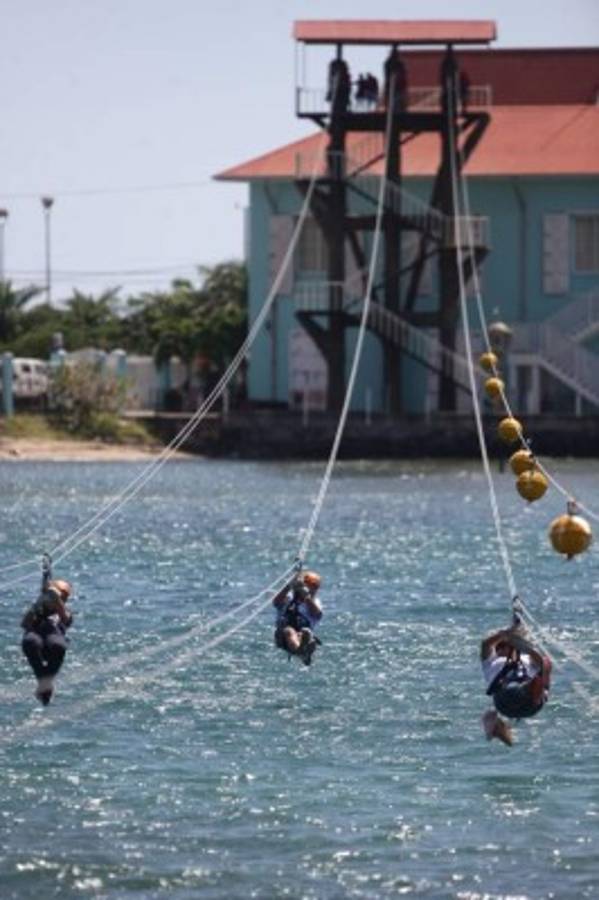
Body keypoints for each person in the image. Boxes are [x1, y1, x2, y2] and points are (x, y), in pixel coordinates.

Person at [480, 616, 552, 747]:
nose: (501, 649)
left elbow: (539, 661)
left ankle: (533, 692)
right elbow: (486, 644)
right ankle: (533, 691)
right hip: (509, 700)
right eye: (499, 647)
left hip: (525, 703)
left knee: (544, 663)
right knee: (514, 687)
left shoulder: (527, 659)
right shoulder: (491, 662)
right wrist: (507, 633)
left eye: (505, 646)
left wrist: (523, 645)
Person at [21, 577, 74, 705]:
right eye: (61, 594)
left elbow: (65, 619)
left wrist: (56, 600)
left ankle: (45, 685)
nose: (63, 598)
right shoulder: (37, 608)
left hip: (53, 639)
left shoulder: (65, 612)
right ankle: (44, 684)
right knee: (31, 641)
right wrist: (41, 601)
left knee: (58, 645)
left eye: (65, 596)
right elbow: (24, 624)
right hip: (36, 637)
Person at [273, 570, 323, 666]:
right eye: (311, 587)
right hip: (282, 636)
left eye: (315, 588)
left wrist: (307, 597)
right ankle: (300, 652)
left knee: (305, 634)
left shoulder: (314, 602)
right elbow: (276, 602)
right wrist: (289, 586)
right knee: (289, 631)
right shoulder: (289, 598)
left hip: (301, 633)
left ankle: (304, 648)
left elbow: (317, 614)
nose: (313, 591)